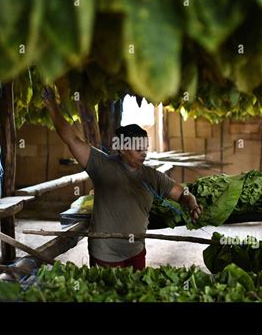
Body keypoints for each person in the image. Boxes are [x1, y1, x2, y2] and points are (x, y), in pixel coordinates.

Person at [42, 86, 202, 271]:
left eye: (145, 148)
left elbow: (182, 192)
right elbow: (71, 139)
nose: (144, 154)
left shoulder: (152, 176)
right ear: (122, 149)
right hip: (104, 253)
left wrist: (191, 203)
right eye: (138, 149)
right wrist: (52, 106)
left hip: (136, 252)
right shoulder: (101, 165)